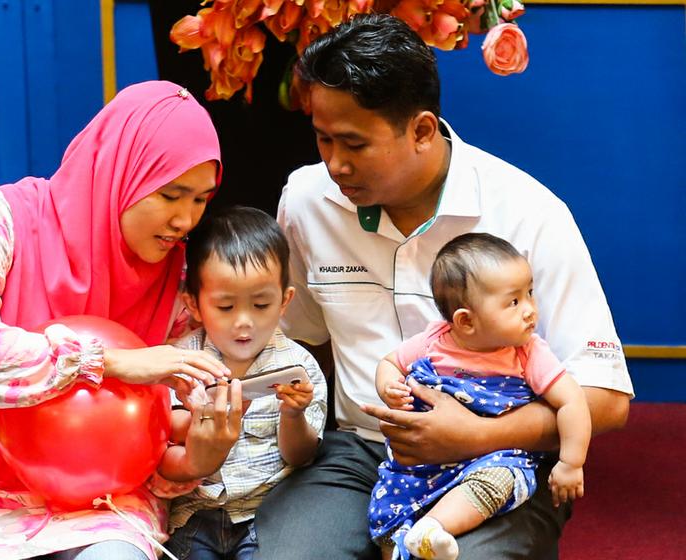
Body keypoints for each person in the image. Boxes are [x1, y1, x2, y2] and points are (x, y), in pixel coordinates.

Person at [253, 13, 633, 560]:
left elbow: (608, 399)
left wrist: (475, 436)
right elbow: (304, 339)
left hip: (499, 459)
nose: (333, 163)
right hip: (361, 448)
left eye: (354, 144)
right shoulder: (307, 200)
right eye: (322, 139)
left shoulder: (530, 213)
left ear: (423, 130)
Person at [0, 81, 246, 560]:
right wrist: (114, 363)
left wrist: (199, 456)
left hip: (106, 496)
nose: (186, 219)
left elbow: (156, 435)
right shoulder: (0, 218)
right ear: (120, 172)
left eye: (201, 200)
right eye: (171, 195)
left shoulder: (183, 280)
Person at [371, 233, 591, 560]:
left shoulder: (528, 352)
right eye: (514, 302)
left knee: (500, 480)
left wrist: (572, 461)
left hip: (491, 456)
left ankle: (431, 528)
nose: (530, 310)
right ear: (466, 321)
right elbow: (390, 362)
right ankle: (400, 545)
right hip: (423, 460)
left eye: (530, 293)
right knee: (388, 503)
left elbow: (572, 401)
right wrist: (389, 386)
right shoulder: (434, 340)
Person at [161, 206, 328, 559]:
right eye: (225, 307)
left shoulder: (298, 367)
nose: (244, 322)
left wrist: (294, 415)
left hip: (267, 515)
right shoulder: (179, 363)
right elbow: (160, 446)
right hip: (195, 516)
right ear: (193, 304)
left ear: (284, 302)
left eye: (260, 304)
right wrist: (196, 422)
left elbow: (301, 457)